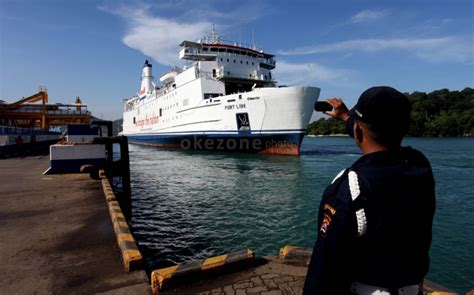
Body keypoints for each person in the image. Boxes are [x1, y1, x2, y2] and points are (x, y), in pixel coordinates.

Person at [303, 86, 436, 294]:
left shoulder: (350, 187)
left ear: (357, 130)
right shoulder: (420, 165)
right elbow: (378, 137)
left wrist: (350, 119)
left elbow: (324, 269)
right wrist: (347, 117)